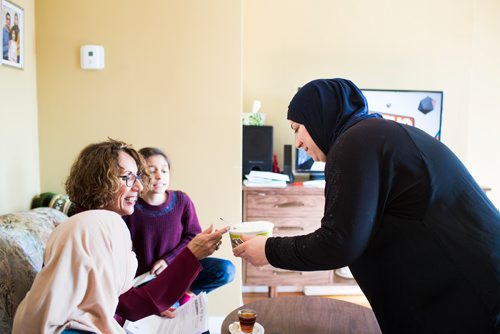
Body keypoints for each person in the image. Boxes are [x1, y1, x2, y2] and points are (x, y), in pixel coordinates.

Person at [233, 78, 500, 333]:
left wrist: (268, 250)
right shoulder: (373, 135)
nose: (298, 143)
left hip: (473, 295)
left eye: (296, 129)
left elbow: (339, 243)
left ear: (318, 116)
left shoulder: (355, 141)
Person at [13, 139, 228, 333]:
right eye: (128, 178)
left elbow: (124, 302)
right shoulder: (98, 224)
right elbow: (132, 306)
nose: (139, 186)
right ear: (100, 181)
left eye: (137, 177)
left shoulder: (94, 220)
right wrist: (191, 254)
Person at [123, 147, 235, 310]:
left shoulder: (181, 200)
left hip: (179, 269)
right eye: (151, 171)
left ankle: (183, 297)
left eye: (164, 171)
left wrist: (168, 260)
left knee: (226, 270)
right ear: (139, 175)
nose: (159, 176)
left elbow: (193, 237)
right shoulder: (131, 206)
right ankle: (167, 304)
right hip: (146, 280)